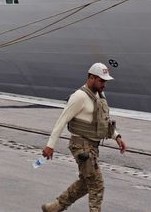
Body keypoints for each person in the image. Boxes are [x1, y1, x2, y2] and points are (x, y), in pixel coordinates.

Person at [40, 63, 127, 212]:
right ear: (91, 78)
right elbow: (61, 121)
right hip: (81, 146)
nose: (104, 85)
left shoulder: (100, 95)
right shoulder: (79, 97)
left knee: (87, 182)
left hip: (92, 146)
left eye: (105, 81)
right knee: (97, 184)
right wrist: (50, 145)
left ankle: (55, 207)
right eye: (101, 81)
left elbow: (104, 120)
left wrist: (117, 136)